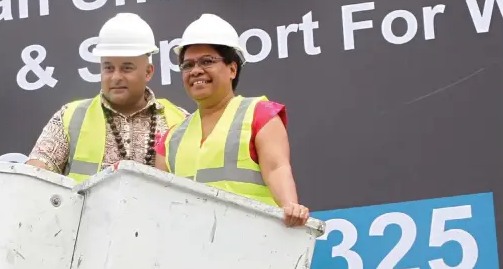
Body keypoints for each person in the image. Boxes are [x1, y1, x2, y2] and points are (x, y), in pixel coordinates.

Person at [154, 13, 310, 228]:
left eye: (207, 61)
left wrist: (290, 206)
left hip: (253, 245)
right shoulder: (171, 138)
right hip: (192, 252)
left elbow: (277, 169)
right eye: (188, 65)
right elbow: (159, 201)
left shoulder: (259, 115)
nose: (196, 70)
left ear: (232, 69)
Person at [27, 13, 188, 182]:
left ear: (148, 72)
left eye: (127, 68)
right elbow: (35, 179)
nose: (116, 77)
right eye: (109, 68)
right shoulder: (71, 117)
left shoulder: (179, 121)